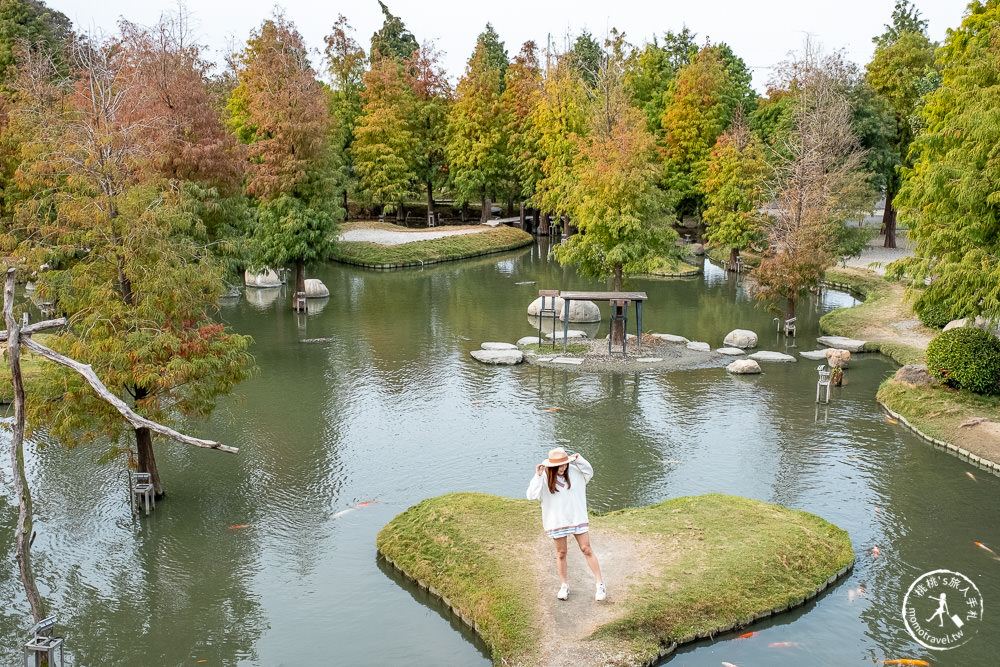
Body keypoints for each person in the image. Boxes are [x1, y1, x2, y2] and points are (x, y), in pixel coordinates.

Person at [526, 447, 605, 601]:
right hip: (558, 521)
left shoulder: (575, 472)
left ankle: (600, 584)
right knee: (561, 553)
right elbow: (531, 495)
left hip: (577, 517)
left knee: (586, 549)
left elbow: (589, 472)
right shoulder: (544, 478)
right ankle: (564, 585)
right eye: (559, 466)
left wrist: (579, 460)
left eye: (564, 464)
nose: (563, 468)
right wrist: (537, 476)